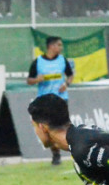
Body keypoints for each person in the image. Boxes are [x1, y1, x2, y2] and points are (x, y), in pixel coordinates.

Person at [27, 36, 74, 165]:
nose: (61, 48)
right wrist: (37, 80)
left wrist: (66, 84)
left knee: (64, 128)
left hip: (60, 101)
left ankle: (75, 151)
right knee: (49, 131)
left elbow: (70, 75)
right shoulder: (38, 62)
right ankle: (56, 154)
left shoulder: (62, 60)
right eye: (59, 45)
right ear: (51, 46)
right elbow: (29, 80)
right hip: (44, 102)